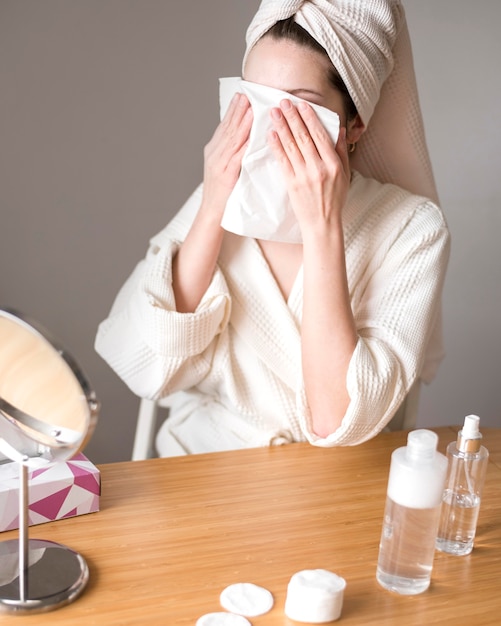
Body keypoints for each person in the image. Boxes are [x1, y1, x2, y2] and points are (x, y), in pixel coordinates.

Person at [95, 0, 450, 456]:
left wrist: (322, 228)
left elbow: (335, 421)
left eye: (300, 110)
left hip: (329, 488)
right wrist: (212, 205)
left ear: (354, 124)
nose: (271, 130)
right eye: (256, 101)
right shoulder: (224, 195)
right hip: (200, 467)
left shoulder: (413, 229)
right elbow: (140, 361)